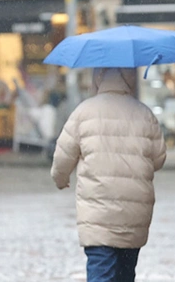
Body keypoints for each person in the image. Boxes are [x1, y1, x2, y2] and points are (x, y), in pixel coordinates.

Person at [51, 68, 166, 282]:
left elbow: (62, 158)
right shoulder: (144, 114)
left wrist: (61, 179)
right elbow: (158, 159)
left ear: (98, 77)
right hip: (134, 211)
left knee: (100, 271)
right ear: (129, 78)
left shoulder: (84, 112)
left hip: (98, 212)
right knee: (125, 273)